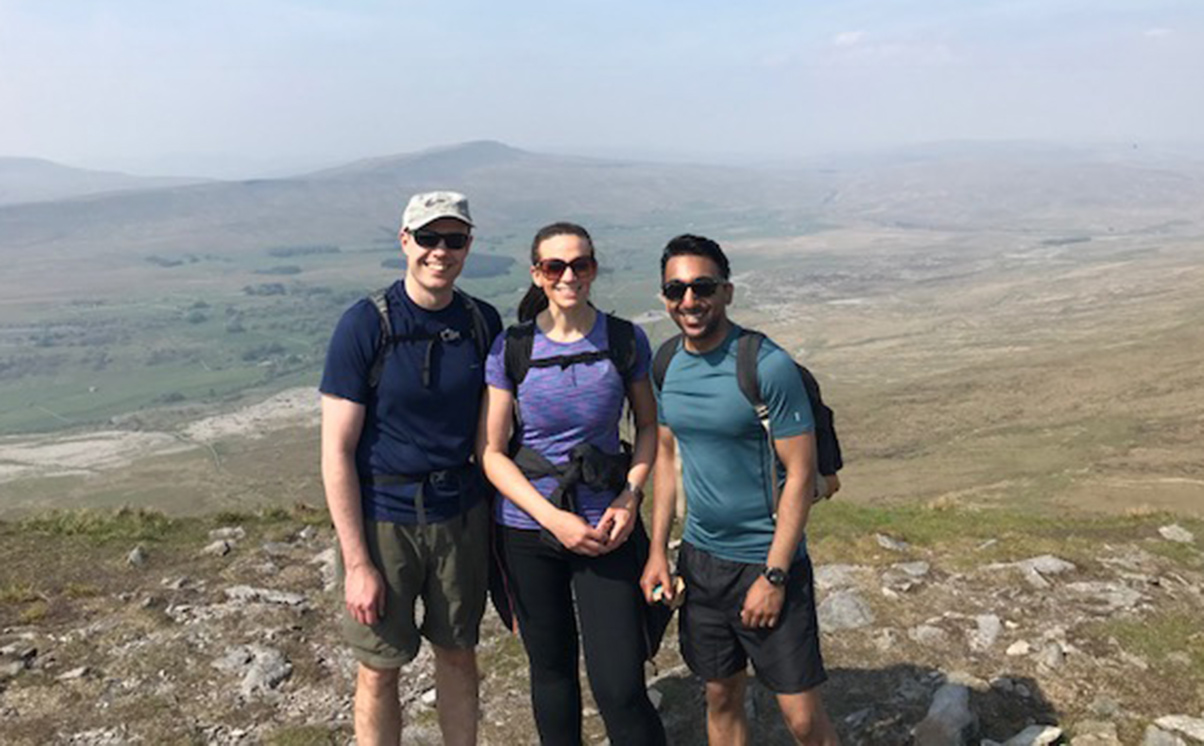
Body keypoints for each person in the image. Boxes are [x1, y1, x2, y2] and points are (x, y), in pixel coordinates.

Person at [640, 234, 841, 746]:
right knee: (721, 696)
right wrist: (659, 551)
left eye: (702, 287)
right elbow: (665, 457)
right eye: (676, 289)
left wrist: (774, 575)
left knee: (801, 718)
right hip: (703, 565)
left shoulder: (766, 365)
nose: (689, 301)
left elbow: (800, 474)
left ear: (726, 291)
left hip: (766, 560)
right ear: (663, 295)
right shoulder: (665, 364)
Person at [320, 191, 502, 746]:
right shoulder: (365, 325)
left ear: (468, 246)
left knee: (458, 653)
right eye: (428, 238)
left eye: (453, 239)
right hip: (384, 522)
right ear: (405, 241)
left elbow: (492, 434)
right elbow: (336, 450)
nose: (439, 251)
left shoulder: (480, 322)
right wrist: (357, 563)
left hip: (459, 516)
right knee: (379, 667)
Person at [478, 222, 667, 745]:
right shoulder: (511, 347)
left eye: (579, 264)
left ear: (593, 269)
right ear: (537, 274)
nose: (568, 276)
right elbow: (491, 452)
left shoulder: (625, 339)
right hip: (529, 530)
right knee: (552, 673)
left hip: (609, 524)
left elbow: (648, 426)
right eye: (555, 266)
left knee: (621, 685)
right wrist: (554, 520)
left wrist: (631, 497)